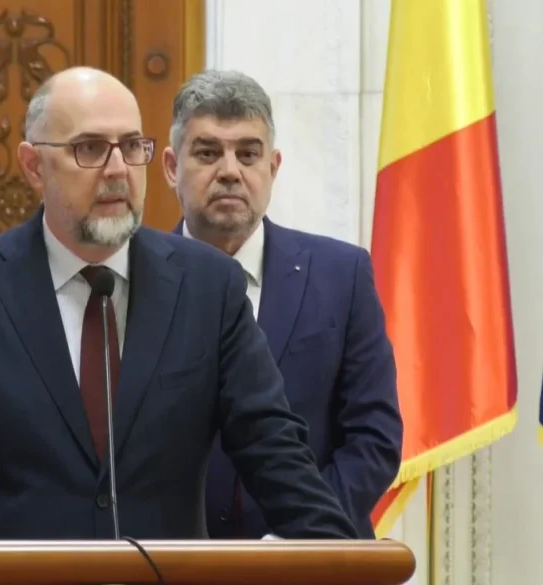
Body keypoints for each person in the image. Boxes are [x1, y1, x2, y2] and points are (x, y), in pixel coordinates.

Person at [0, 65, 356, 585]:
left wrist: (338, 553)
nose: (117, 170)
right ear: (34, 166)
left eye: (131, 147)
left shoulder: (208, 287)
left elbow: (272, 446)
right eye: (89, 149)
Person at [162, 70, 403, 539]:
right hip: (170, 559)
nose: (229, 171)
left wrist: (302, 538)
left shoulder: (342, 274)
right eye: (207, 153)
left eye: (248, 154)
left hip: (314, 557)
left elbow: (373, 436)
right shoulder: (134, 278)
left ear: (273, 167)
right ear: (172, 167)